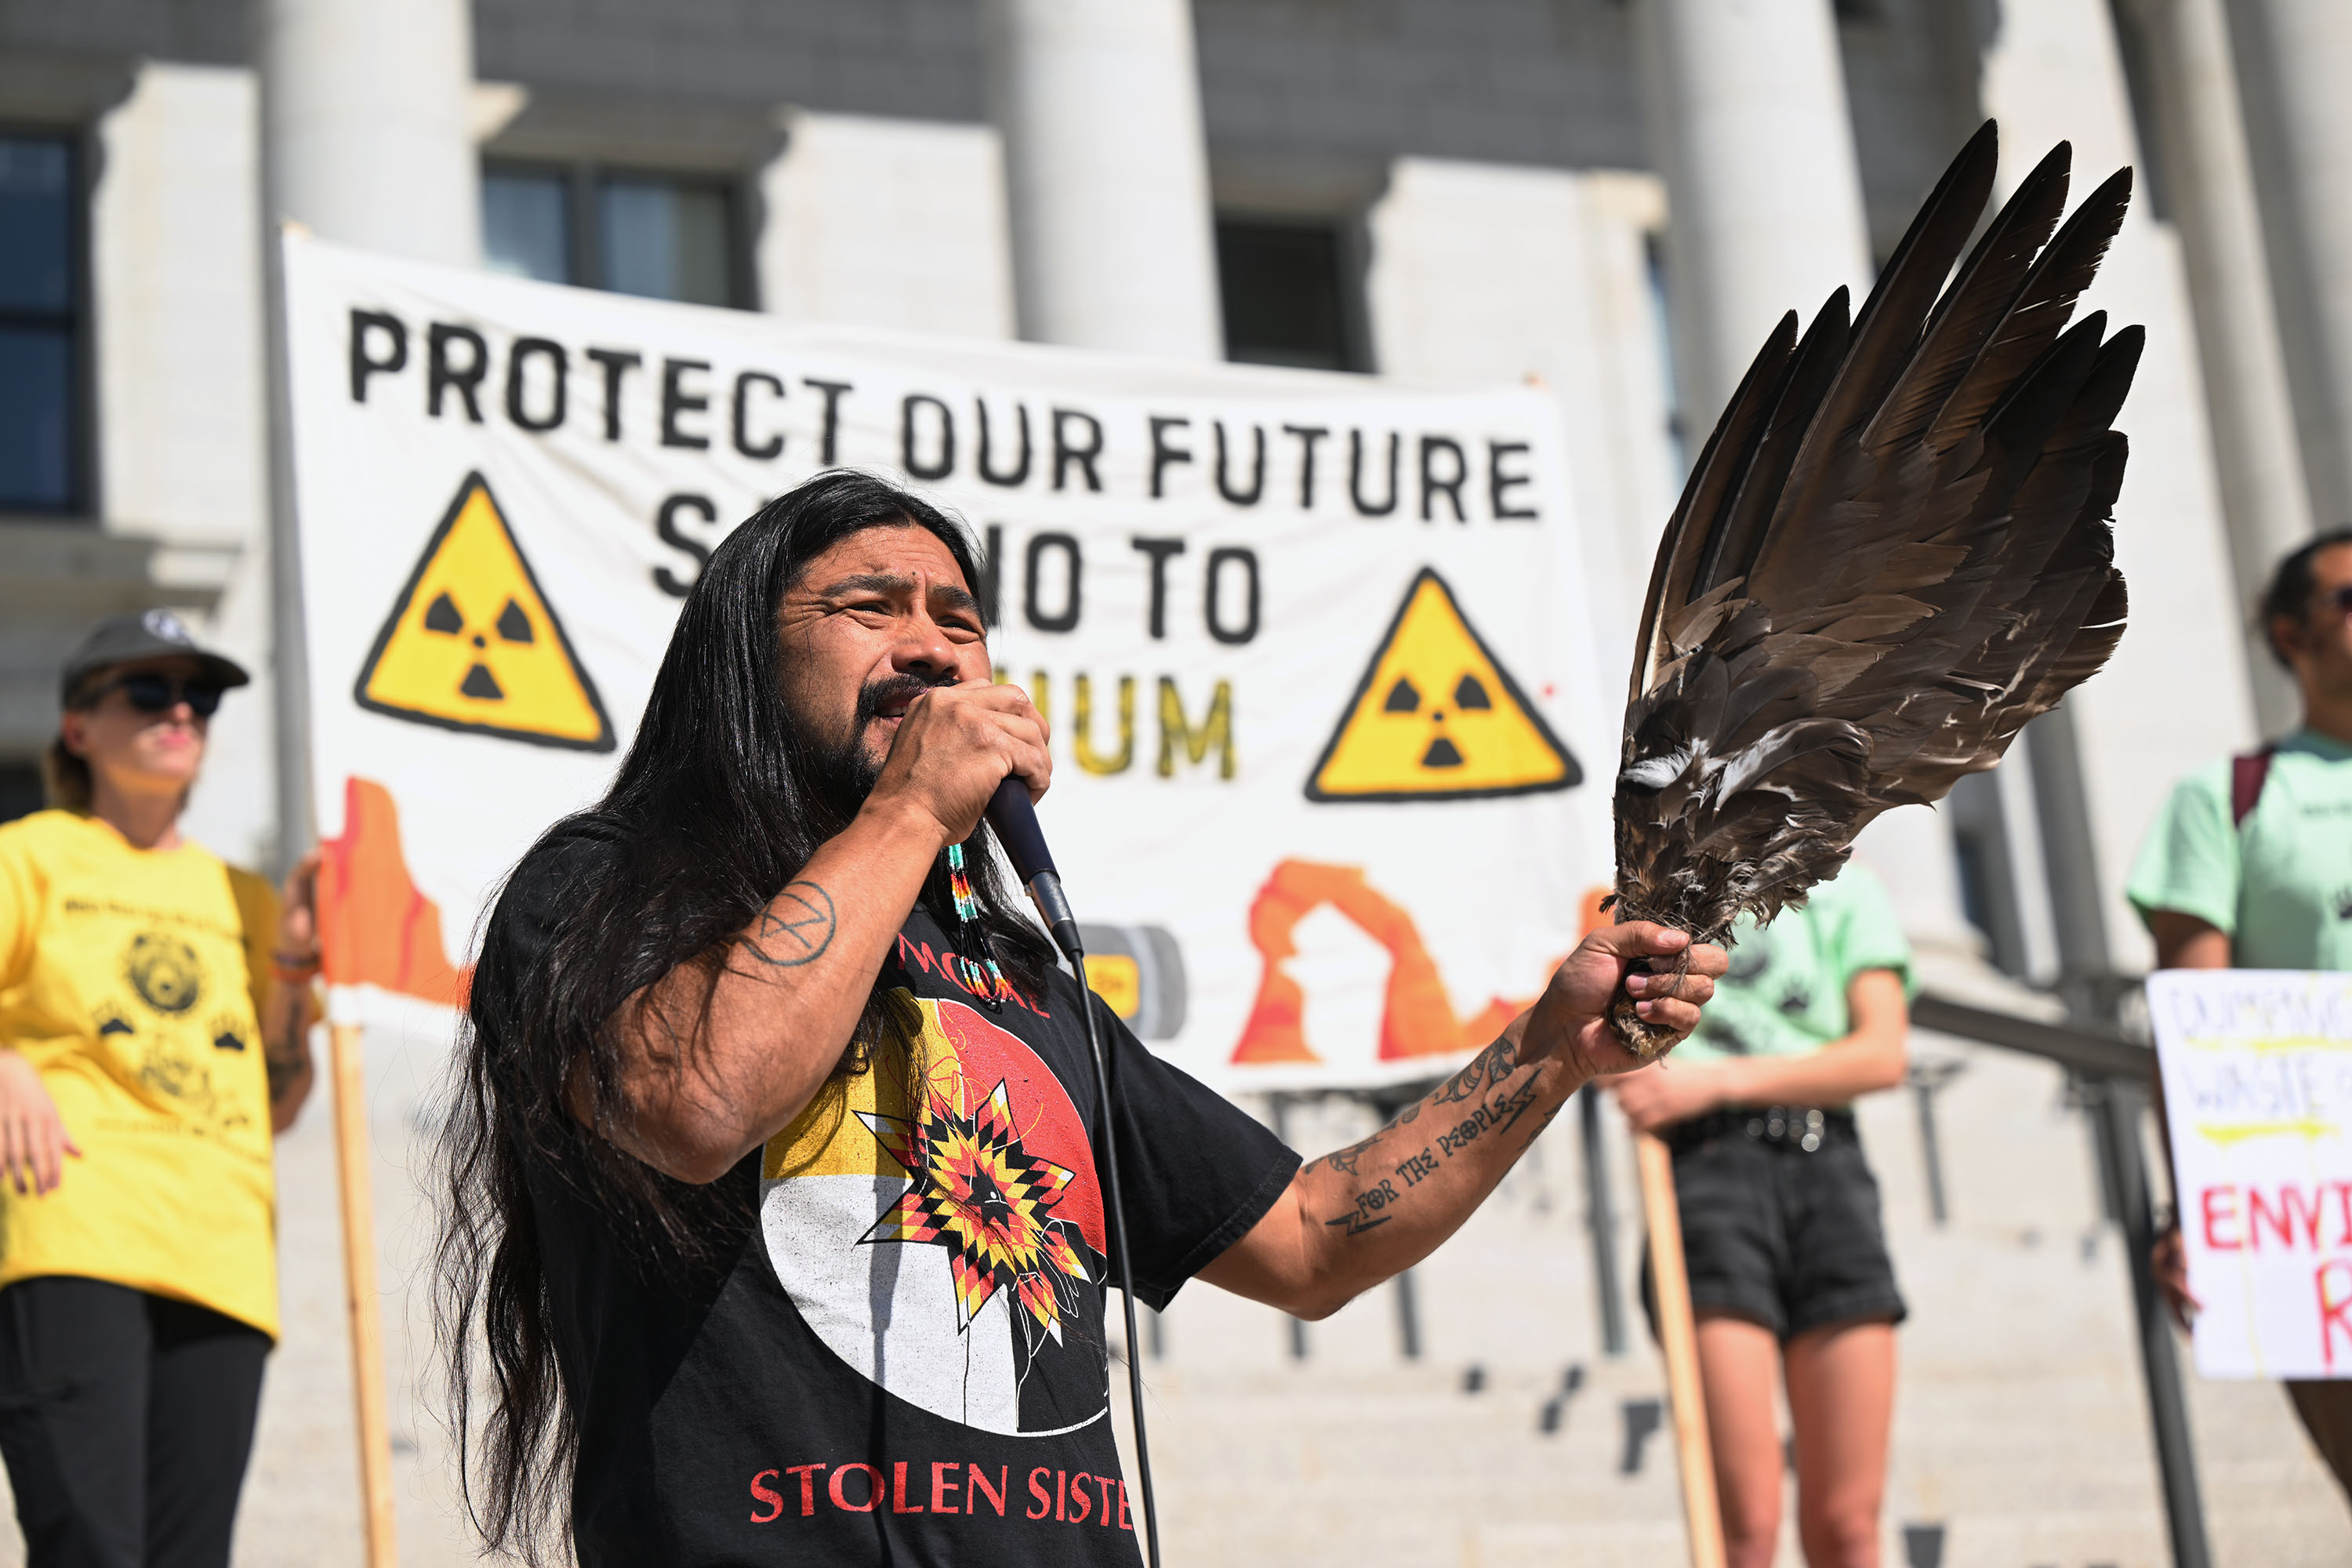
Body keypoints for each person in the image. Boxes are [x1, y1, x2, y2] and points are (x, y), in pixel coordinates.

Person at [434, 470, 1726, 1566]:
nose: (934, 648)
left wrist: (1554, 1045)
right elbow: (702, 1101)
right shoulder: (602, 893)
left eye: (960, 620)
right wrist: (911, 814)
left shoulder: (1020, 979)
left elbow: (1317, 1238)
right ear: (746, 658)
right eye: (868, 607)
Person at [0, 608, 320, 1567]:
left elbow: (281, 1099)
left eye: (201, 696)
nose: (180, 710)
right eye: (147, 690)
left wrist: (295, 973)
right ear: (78, 726)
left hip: (221, 1247)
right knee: (91, 1543)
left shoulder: (250, 897)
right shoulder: (30, 853)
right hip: (75, 1222)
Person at [2129, 528, 2352, 1501]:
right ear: (2290, 633)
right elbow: (2197, 1024)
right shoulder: (2224, 800)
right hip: (2324, 1220)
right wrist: (2197, 1213)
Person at [1610, 863, 1911, 1568]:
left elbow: (1883, 1052)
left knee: (1849, 1526)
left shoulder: (1852, 889)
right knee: (1744, 1527)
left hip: (1828, 1169)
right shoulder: (1656, 887)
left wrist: (1719, 1083)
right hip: (1705, 1175)